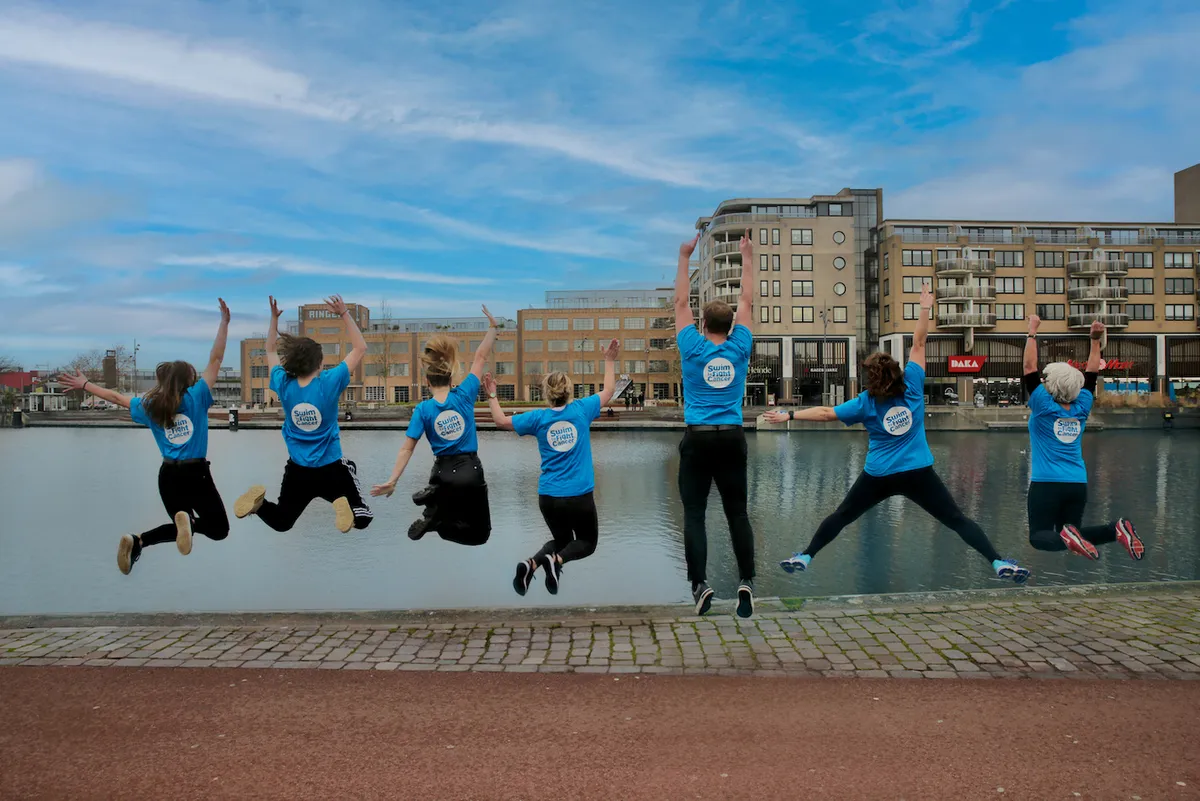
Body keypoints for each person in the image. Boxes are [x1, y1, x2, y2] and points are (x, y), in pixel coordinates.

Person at [768, 284, 1030, 584]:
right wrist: (924, 307)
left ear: (872, 377)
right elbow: (919, 343)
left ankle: (805, 556)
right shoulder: (914, 385)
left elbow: (826, 413)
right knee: (956, 519)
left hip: (878, 475)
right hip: (918, 472)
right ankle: (997, 562)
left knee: (841, 516)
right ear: (896, 370)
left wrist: (788, 414)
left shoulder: (866, 402)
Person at [58, 300, 232, 575]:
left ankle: (138, 541)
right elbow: (216, 358)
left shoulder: (149, 406)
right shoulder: (197, 396)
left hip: (168, 476)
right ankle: (188, 523)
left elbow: (115, 397)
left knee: (180, 526)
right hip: (195, 473)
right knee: (219, 529)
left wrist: (86, 385)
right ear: (189, 380)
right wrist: (224, 323)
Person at [485, 339, 619, 596]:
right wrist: (609, 361)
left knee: (562, 541)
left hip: (549, 497)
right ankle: (555, 562)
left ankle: (531, 564)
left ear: (546, 394)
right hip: (578, 495)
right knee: (587, 543)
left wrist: (491, 393)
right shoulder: (581, 409)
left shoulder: (538, 418)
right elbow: (609, 390)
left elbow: (501, 421)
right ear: (569, 391)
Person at [233, 295, 373, 534]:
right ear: (319, 365)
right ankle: (346, 503)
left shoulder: (284, 384)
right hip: (331, 467)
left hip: (298, 471)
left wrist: (273, 321)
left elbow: (269, 350)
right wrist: (344, 313)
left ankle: (258, 506)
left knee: (281, 521)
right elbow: (360, 348)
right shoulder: (328, 383)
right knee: (362, 516)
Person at [675, 229, 757, 618]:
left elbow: (678, 302)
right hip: (732, 437)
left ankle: (700, 585)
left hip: (699, 438)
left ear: (703, 322)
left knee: (694, 514)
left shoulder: (691, 347)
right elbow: (747, 298)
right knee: (737, 512)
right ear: (730, 324)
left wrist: (683, 257)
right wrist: (746, 256)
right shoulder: (741, 346)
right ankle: (746, 581)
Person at [370, 306, 498, 546]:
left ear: (427, 381)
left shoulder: (423, 410)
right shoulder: (464, 395)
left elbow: (406, 449)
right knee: (480, 535)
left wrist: (393, 480)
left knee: (444, 517)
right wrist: (492, 328)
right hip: (470, 470)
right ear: (451, 379)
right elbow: (480, 356)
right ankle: (436, 517)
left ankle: (435, 508)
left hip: (440, 475)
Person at [1022, 316, 1142, 560]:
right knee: (1072, 534)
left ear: (1050, 386)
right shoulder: (1082, 407)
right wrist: (1095, 341)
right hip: (1077, 483)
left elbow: (1029, 369)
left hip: (1046, 483)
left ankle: (1072, 536)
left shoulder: (1044, 406)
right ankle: (1115, 529)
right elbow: (1092, 373)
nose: (1042, 382)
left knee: (1039, 537)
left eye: (1046, 380)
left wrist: (1032, 332)